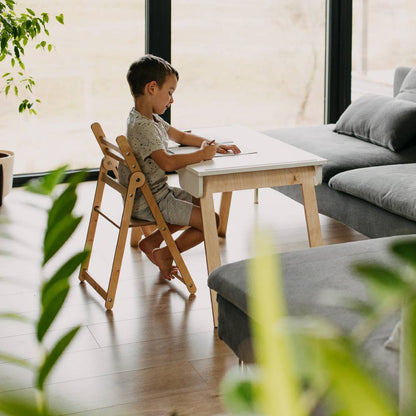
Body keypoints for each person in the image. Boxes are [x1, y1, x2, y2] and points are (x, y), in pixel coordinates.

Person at [119, 54, 240, 280]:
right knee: (211, 220)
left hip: (151, 195)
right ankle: (165, 254)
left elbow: (180, 136)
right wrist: (201, 155)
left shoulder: (146, 118)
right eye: (170, 92)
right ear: (152, 88)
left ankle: (153, 241)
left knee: (198, 199)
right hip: (151, 202)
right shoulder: (144, 127)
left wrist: (214, 145)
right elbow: (167, 162)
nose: (172, 100)